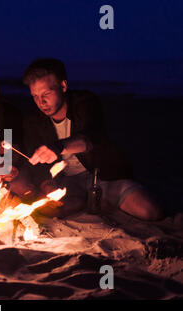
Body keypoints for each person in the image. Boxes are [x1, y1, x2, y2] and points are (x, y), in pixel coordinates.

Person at [21, 58, 163, 220]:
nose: (41, 102)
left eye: (46, 94)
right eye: (35, 96)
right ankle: (84, 202)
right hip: (67, 182)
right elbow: (38, 168)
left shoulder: (85, 102)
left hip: (103, 177)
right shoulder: (33, 120)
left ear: (63, 86)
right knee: (47, 211)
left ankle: (96, 201)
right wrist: (47, 185)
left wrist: (58, 147)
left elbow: (88, 139)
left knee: (149, 211)